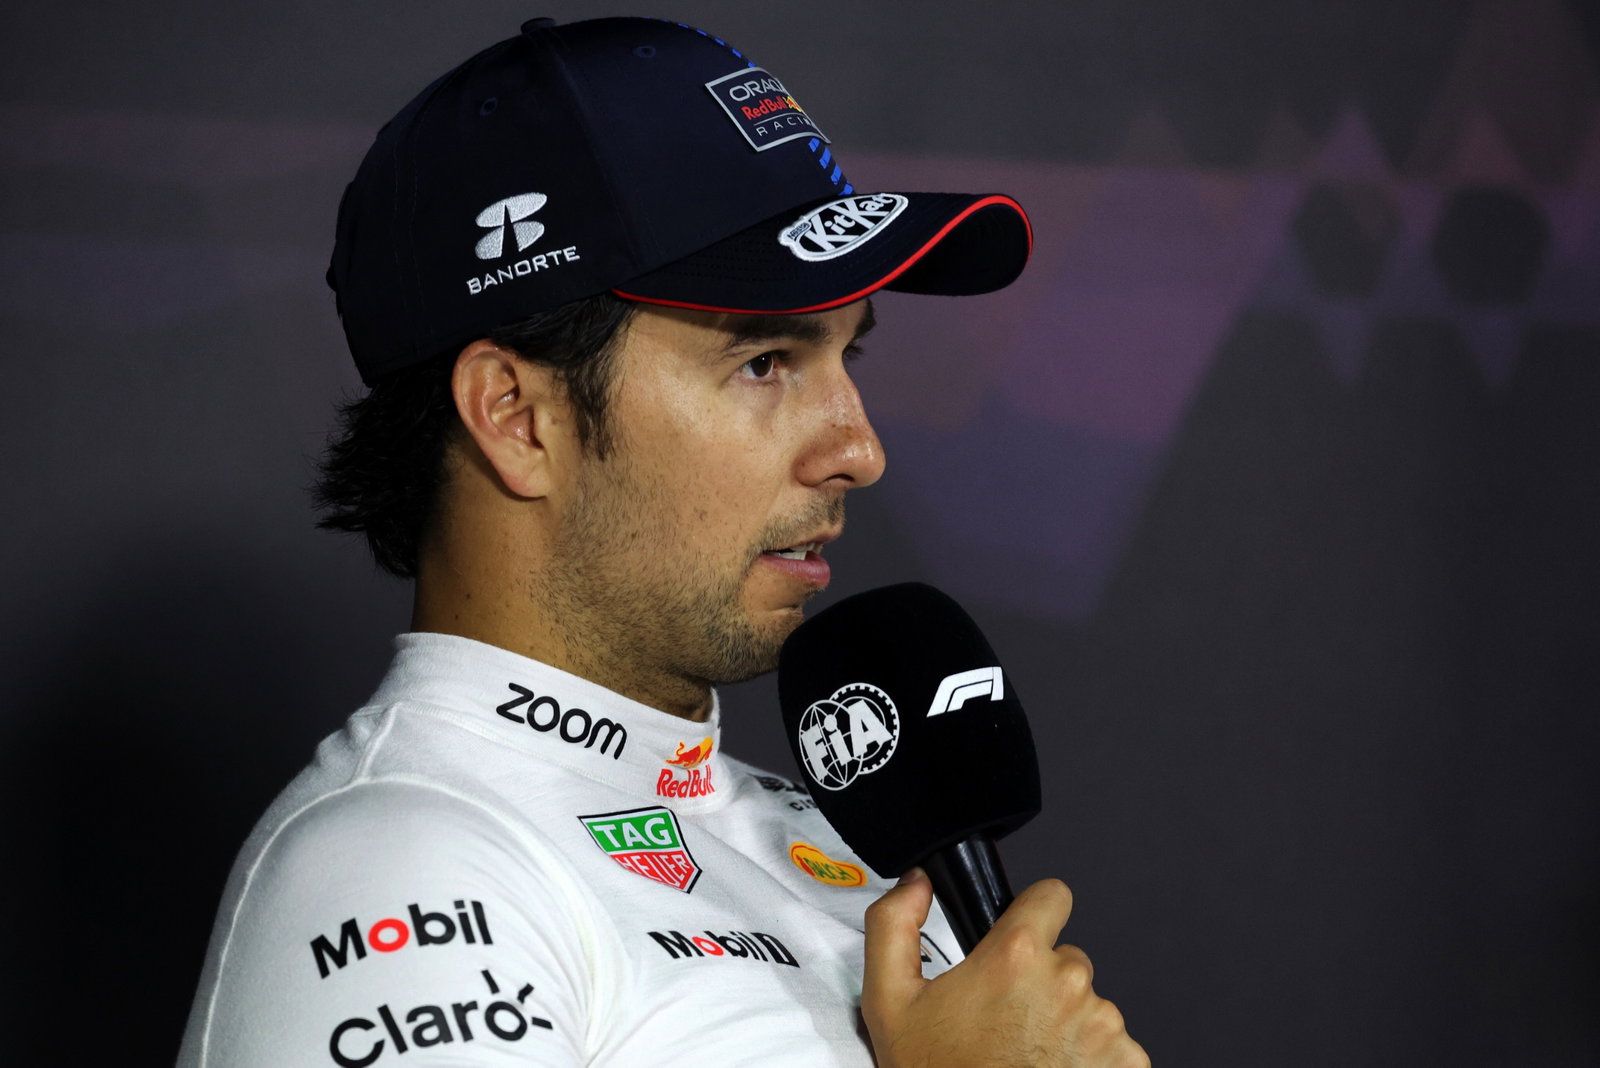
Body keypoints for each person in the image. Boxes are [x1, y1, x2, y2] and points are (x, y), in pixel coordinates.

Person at [179, 16, 1147, 1067]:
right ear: (516, 416)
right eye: (766, 362)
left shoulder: (836, 844)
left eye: (847, 355)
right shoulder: (402, 866)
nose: (858, 449)